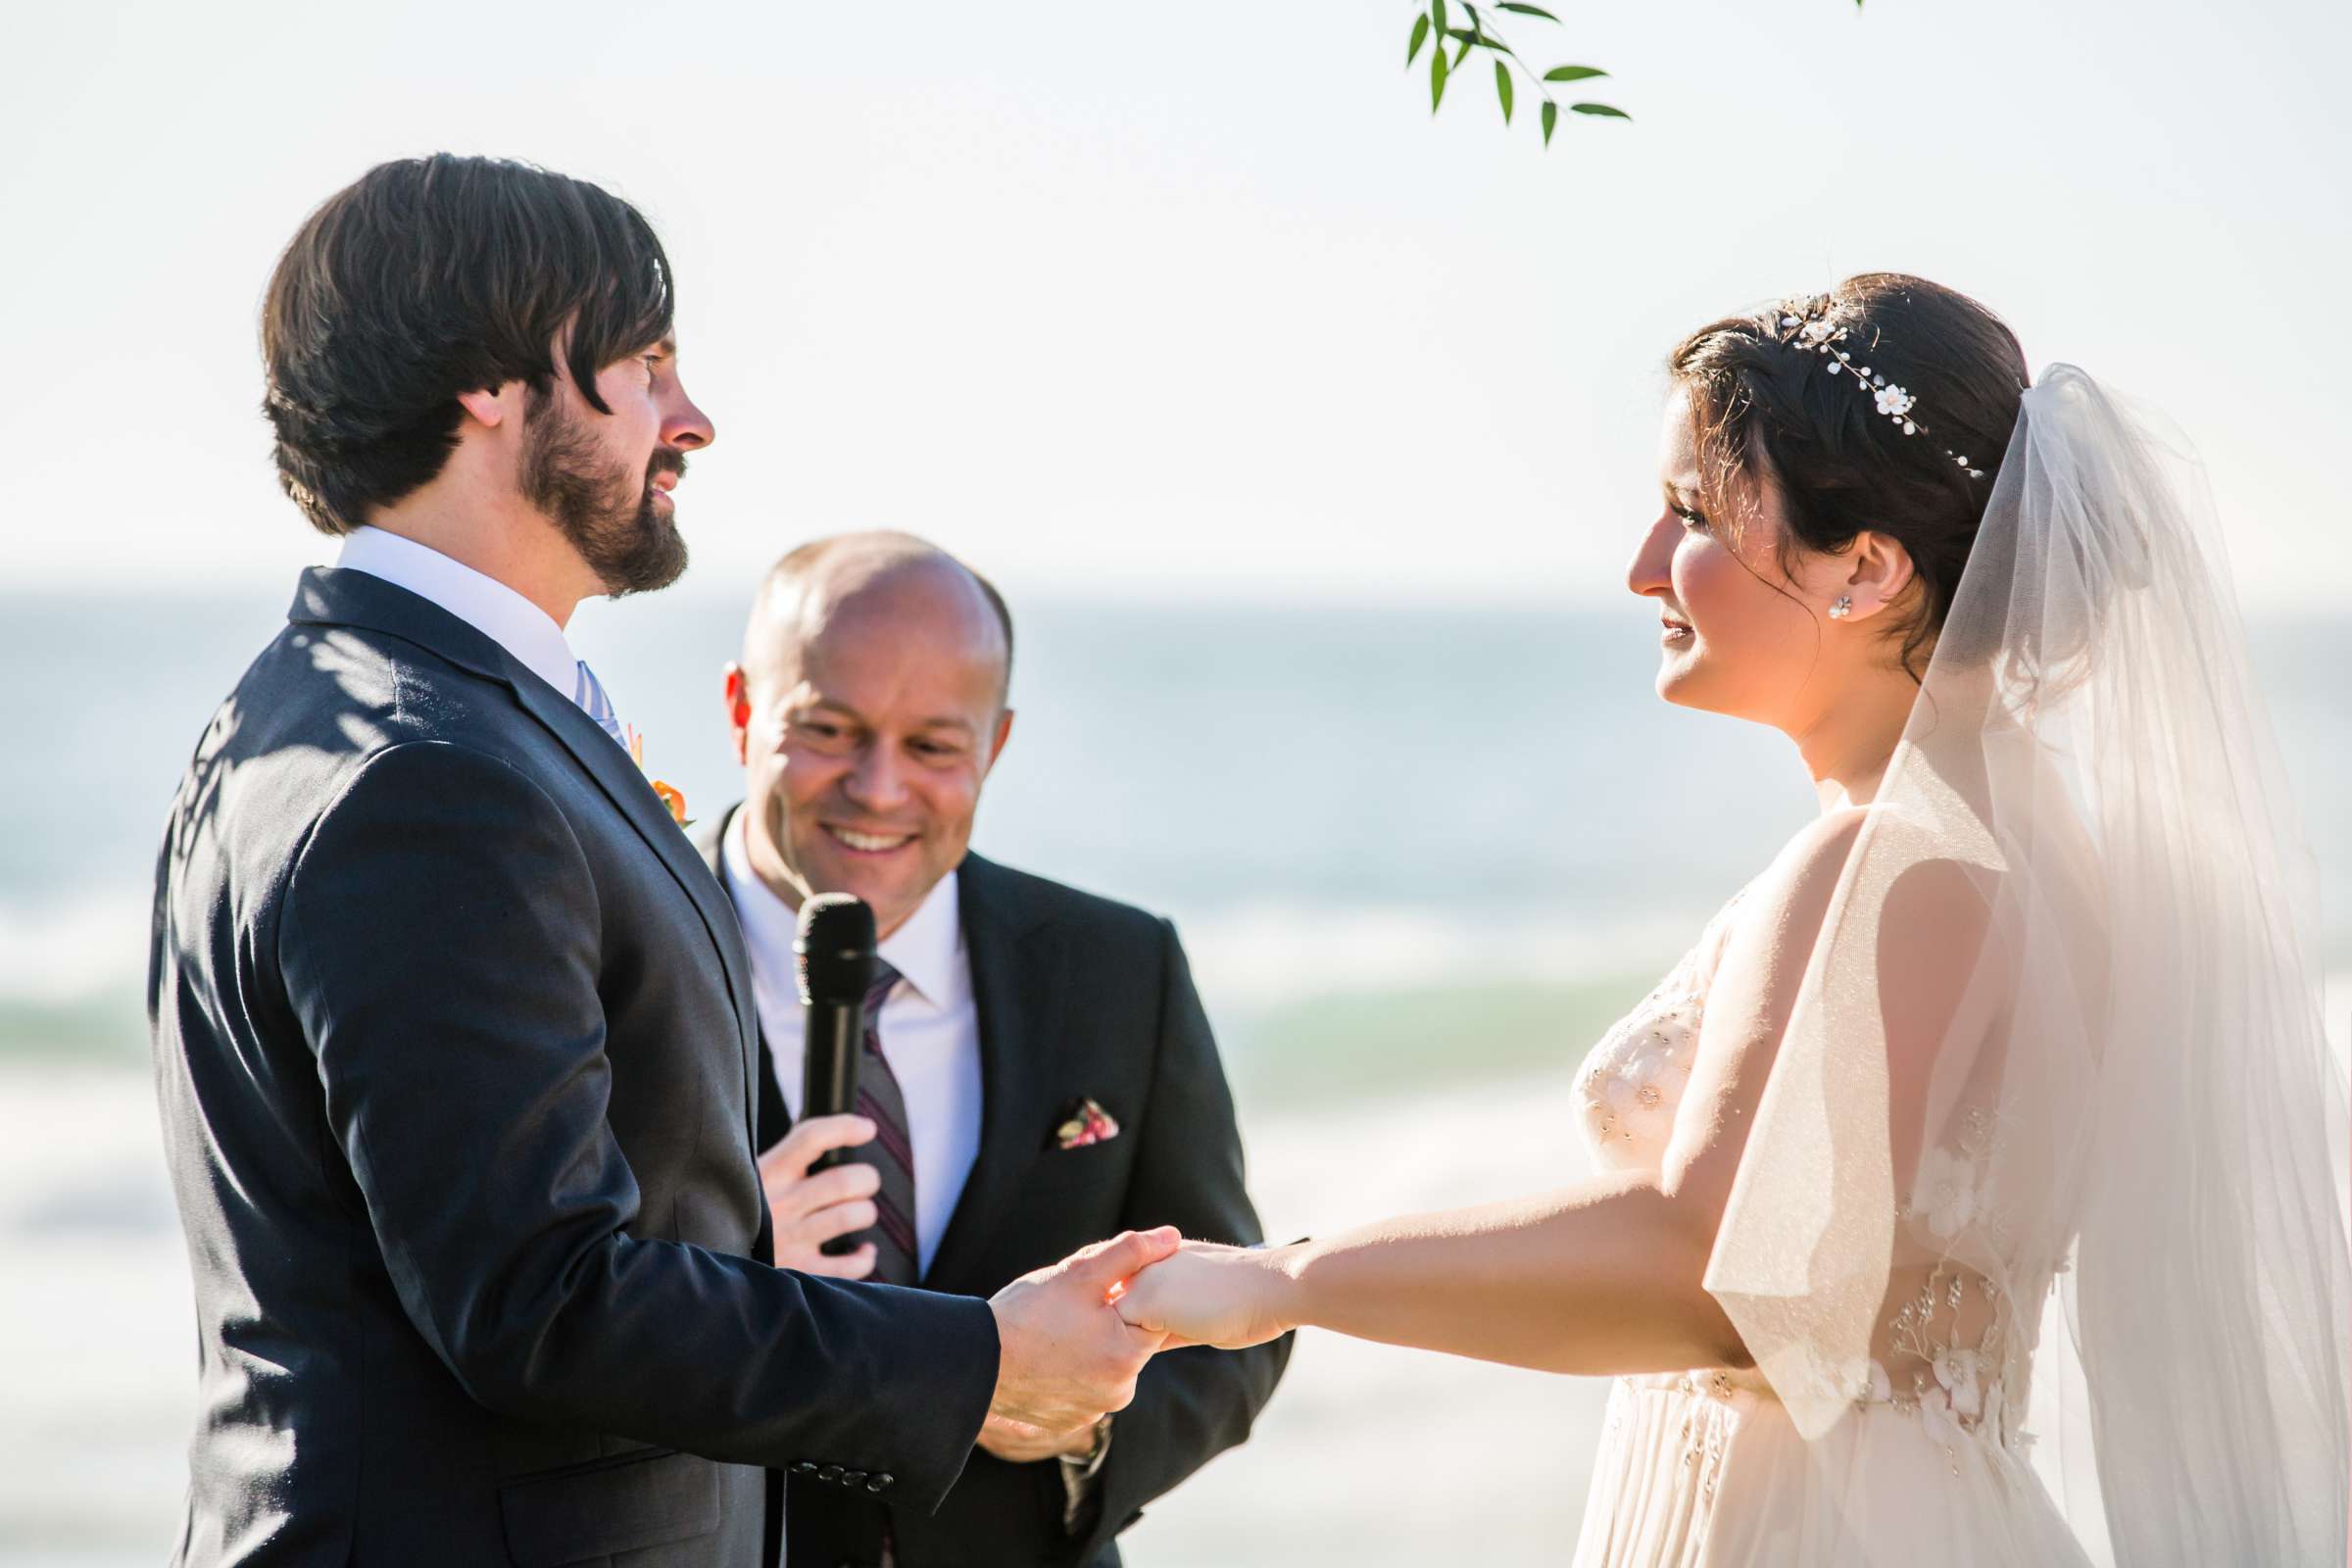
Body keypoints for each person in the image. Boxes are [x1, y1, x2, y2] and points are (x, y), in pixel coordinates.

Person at [1112, 273, 2352, 1564]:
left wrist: (1278, 1283)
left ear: (1864, 567)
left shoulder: (1896, 864)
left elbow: (1710, 1272)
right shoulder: (2055, 863)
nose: (1646, 565)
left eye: (1692, 513)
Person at [147, 155, 1174, 1567]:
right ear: (491, 387)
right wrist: (979, 1359)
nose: (688, 420)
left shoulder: (352, 702)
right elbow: (539, 1303)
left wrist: (741, 1237)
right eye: (643, 365)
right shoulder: (430, 776)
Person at [689, 531, 1290, 1565]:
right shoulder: (609, 950)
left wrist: (1077, 1428)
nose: (878, 789)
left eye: (931, 747)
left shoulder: (1118, 966)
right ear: (745, 709)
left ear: (996, 745)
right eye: (830, 729)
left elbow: (1238, 1312)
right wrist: (719, 1274)